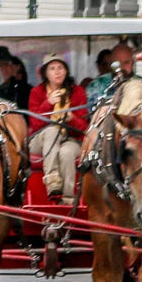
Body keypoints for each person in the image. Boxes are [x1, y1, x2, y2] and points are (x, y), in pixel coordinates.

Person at [26, 58, 89, 197]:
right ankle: (52, 178)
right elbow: (35, 124)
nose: (57, 72)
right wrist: (48, 104)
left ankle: (67, 198)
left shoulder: (77, 92)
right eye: (52, 68)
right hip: (40, 139)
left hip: (70, 139)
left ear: (66, 71)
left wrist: (71, 119)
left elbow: (83, 127)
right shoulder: (36, 92)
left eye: (60, 67)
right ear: (45, 73)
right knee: (52, 130)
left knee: (66, 153)